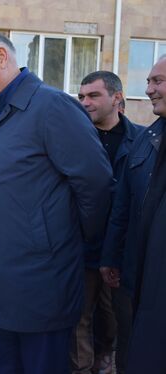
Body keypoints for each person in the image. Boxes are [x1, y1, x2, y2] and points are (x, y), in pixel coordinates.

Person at [0, 30, 112, 373]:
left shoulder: (52, 106)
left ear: (1, 57)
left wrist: (68, 240)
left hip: (38, 288)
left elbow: (95, 183)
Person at [72, 71, 142, 374]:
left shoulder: (142, 140)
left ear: (117, 98)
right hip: (81, 243)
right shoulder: (72, 138)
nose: (85, 102)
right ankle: (82, 367)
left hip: (123, 248)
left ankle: (107, 356)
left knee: (117, 314)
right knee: (79, 314)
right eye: (82, 96)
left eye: (93, 95)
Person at [103, 56, 166, 373]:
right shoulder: (144, 141)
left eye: (158, 81)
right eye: (149, 81)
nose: (149, 89)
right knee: (132, 348)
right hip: (136, 275)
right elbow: (122, 207)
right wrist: (110, 257)